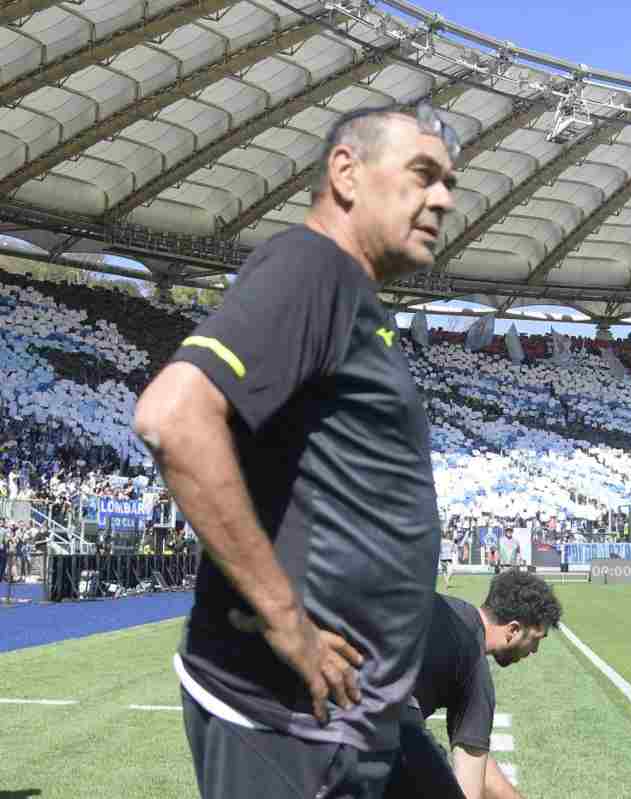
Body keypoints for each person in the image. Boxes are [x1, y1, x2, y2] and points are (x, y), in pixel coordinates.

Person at [134, 101, 460, 799]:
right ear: (346, 172)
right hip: (287, 721)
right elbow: (175, 416)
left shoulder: (350, 294)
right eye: (423, 174)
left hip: (349, 719)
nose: (444, 199)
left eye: (449, 183)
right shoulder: (313, 267)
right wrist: (287, 620)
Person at [390, 570, 562, 799]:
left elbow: (477, 756)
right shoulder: (475, 666)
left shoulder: (449, 609)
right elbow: (470, 779)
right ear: (513, 630)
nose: (535, 650)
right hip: (374, 724)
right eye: (536, 639)